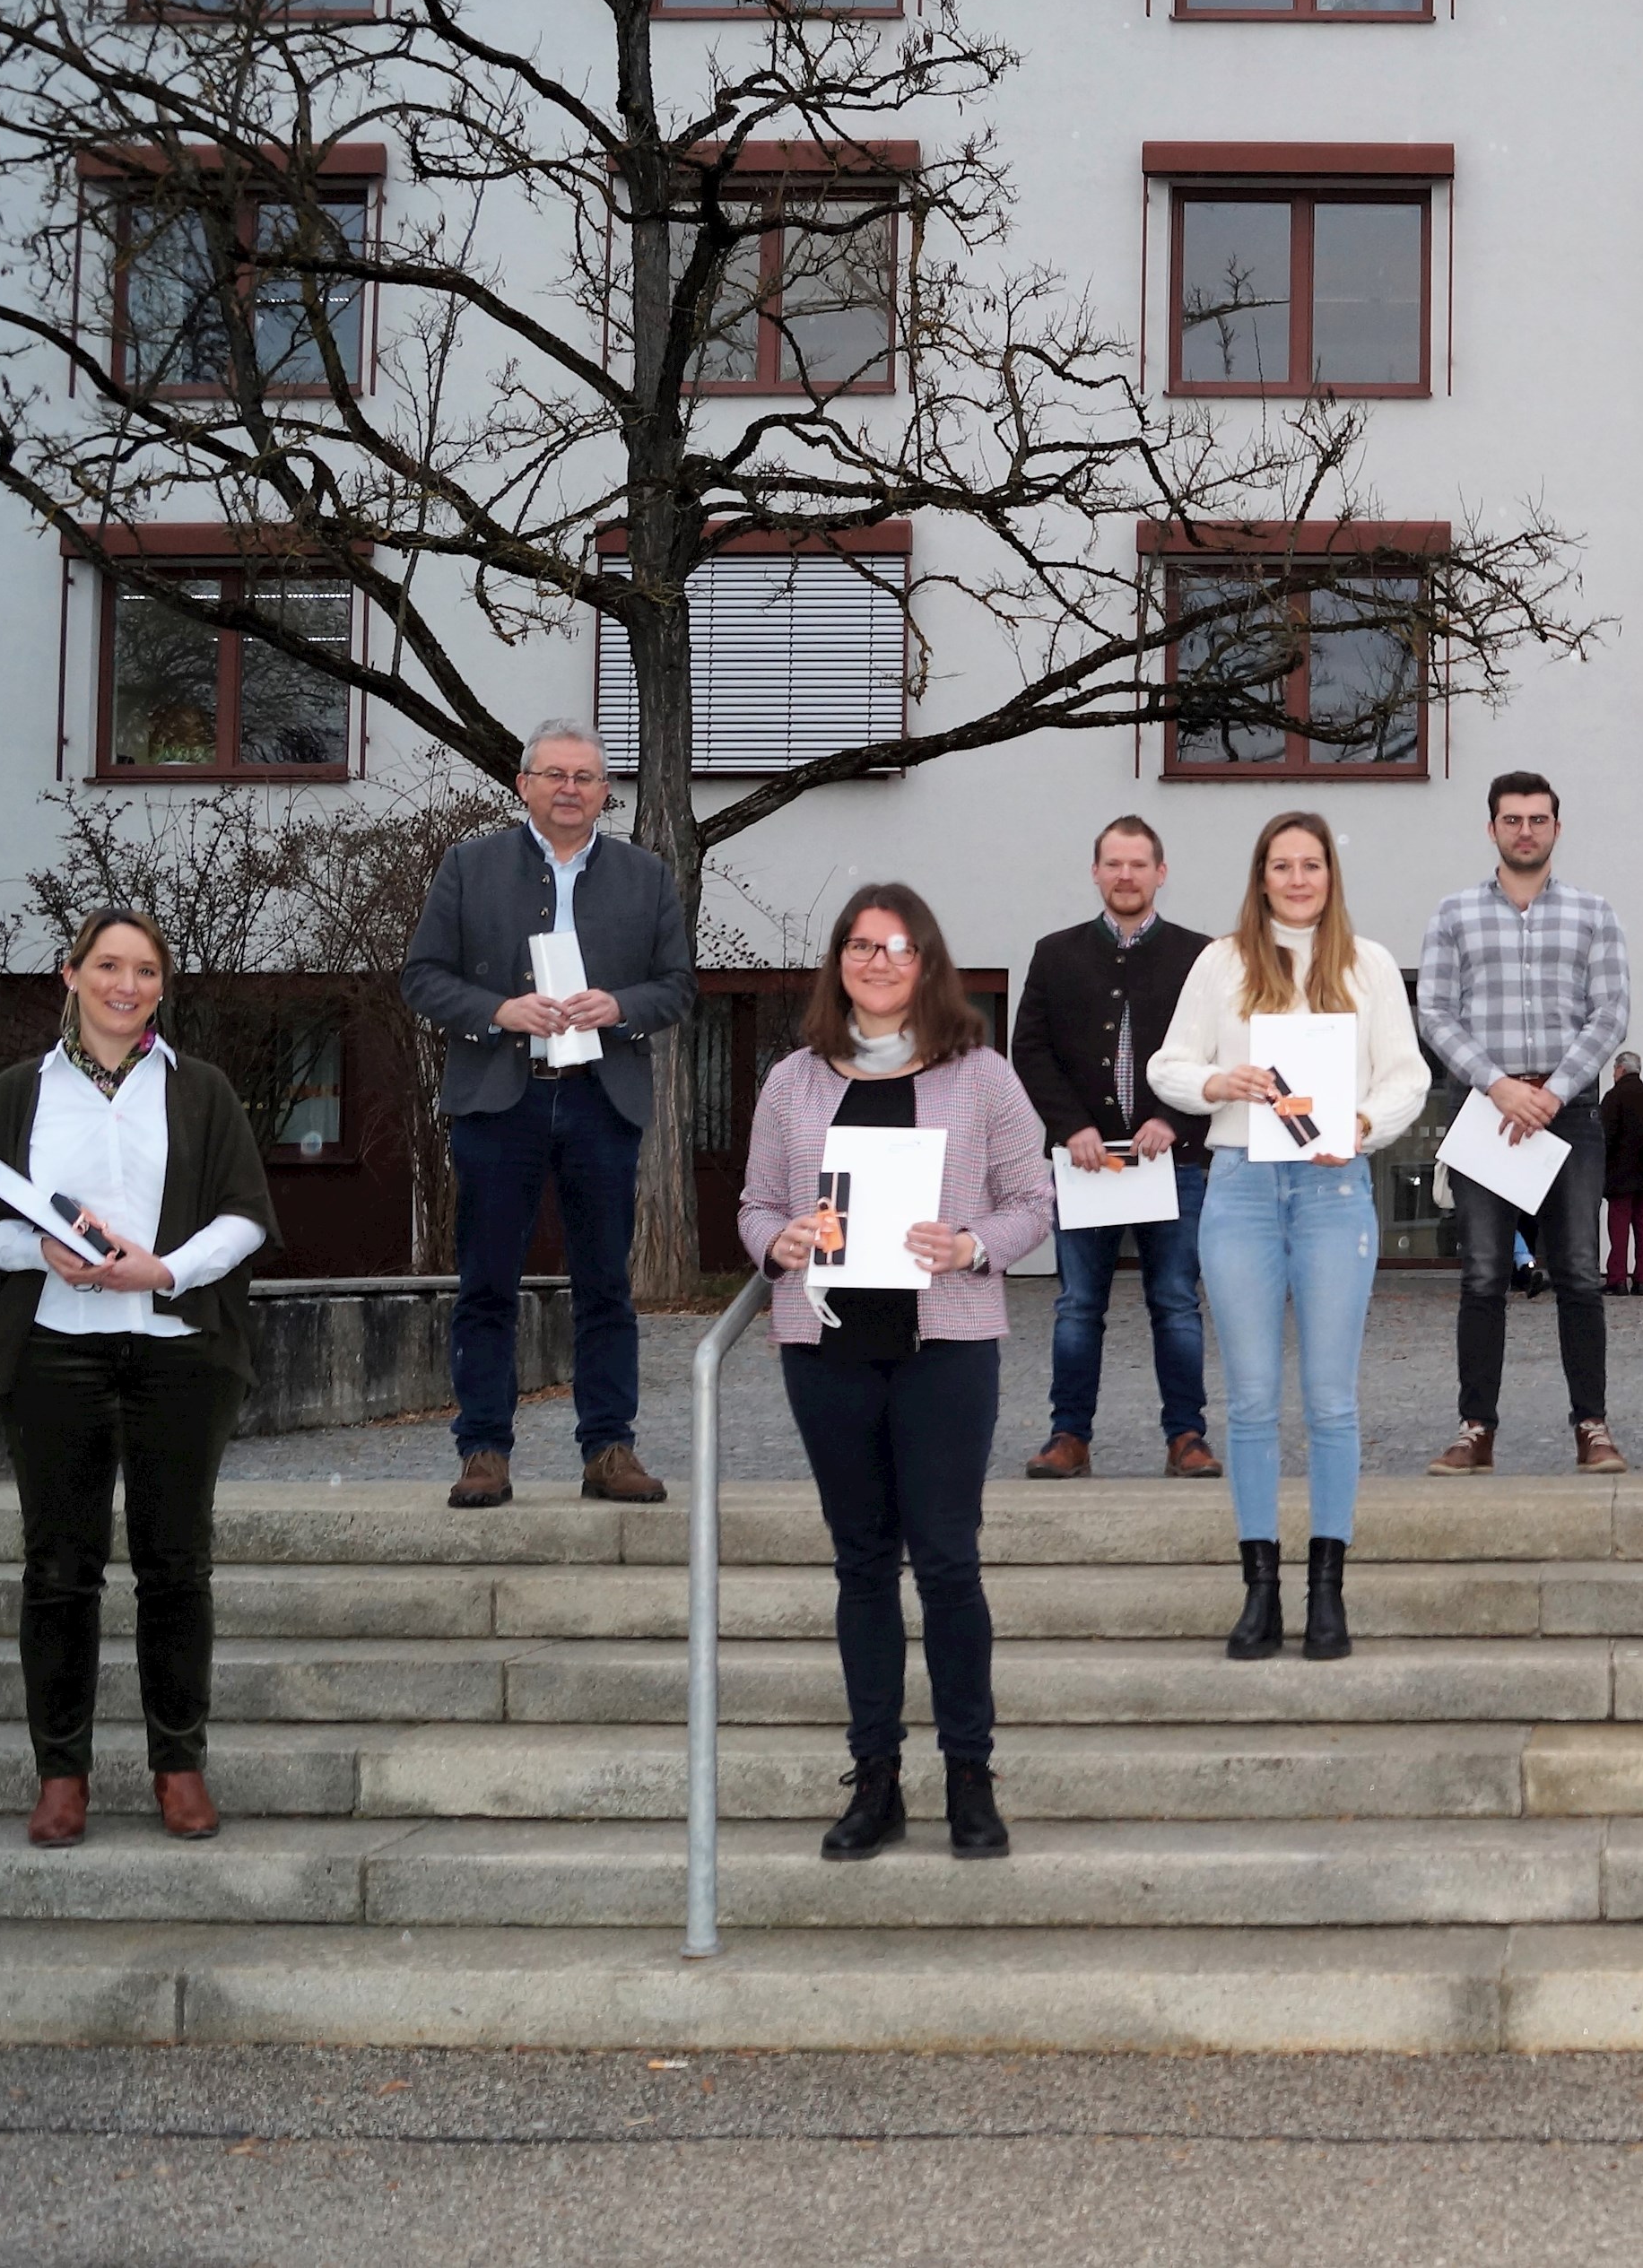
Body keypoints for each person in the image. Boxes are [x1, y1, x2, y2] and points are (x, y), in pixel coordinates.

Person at [741, 883, 1054, 1862]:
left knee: (949, 1563)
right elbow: (754, 1204)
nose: (879, 962)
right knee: (862, 1564)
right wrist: (777, 1240)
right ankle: (875, 1779)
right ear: (839, 961)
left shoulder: (982, 1076)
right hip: (827, 1348)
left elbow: (1033, 1198)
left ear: (928, 962)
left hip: (946, 1346)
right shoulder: (792, 1080)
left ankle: (970, 1775)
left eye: (899, 946)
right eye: (861, 946)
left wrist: (969, 1246)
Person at [0, 908, 277, 1849]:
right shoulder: (22, 1091)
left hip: (176, 1349)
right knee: (59, 1570)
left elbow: (247, 1215)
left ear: (160, 986)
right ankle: (62, 1775)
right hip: (52, 1351)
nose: (124, 983)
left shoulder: (202, 1089)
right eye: (107, 964)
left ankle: (179, 1765)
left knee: (176, 1564)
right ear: (71, 974)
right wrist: (41, 1246)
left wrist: (164, 1267)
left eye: (143, 969)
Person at [1152, 811, 1431, 1659]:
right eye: (1283, 866)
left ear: (1329, 876)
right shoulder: (1222, 962)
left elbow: (1408, 1076)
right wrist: (1215, 1080)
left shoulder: (1368, 963)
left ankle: (1327, 1592)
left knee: (1332, 1399)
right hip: (1238, 1187)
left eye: (1312, 865)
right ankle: (1260, 1590)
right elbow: (1168, 1065)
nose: (1299, 879)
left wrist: (1359, 1121)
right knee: (1250, 1399)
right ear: (1262, 875)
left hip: (1331, 1190)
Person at [398, 721, 695, 1511]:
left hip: (603, 1098)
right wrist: (499, 1009)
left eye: (587, 777)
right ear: (523, 784)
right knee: (487, 1282)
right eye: (554, 774)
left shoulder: (646, 876)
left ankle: (609, 1448)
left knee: (606, 1284)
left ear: (606, 792)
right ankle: (484, 1450)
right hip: (502, 1098)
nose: (570, 789)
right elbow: (423, 977)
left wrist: (620, 1006)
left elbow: (677, 986)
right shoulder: (469, 867)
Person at [1417, 774, 1634, 1475]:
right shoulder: (1452, 915)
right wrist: (1501, 1086)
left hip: (1569, 1113)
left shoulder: (1594, 914)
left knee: (1579, 1273)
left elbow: (1610, 1014)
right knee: (1482, 1275)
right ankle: (1475, 1430)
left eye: (1538, 820)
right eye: (1512, 820)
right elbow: (1436, 1014)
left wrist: (1554, 1090)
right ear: (1492, 830)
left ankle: (1592, 1428)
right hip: (1485, 1110)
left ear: (1556, 829)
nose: (1526, 831)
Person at [1013, 814, 1220, 1481]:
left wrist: (1173, 1118)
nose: (1126, 875)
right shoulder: (1055, 952)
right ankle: (1068, 1436)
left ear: (1161, 872)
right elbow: (1032, 1051)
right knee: (1078, 1305)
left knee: (1176, 1302)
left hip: (1174, 1161)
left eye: (1139, 864)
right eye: (1114, 864)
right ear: (1096, 872)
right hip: (1086, 1164)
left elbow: (1220, 1053)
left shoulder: (1201, 955)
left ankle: (1186, 1436)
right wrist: (1072, 1127)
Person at [1598, 1050, 1643, 1294]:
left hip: (1620, 1176)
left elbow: (1603, 1137)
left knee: (1618, 1230)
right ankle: (1642, 1280)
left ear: (1620, 1070)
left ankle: (1616, 1279)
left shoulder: (1613, 1098)